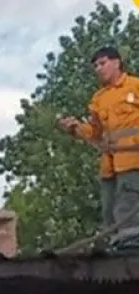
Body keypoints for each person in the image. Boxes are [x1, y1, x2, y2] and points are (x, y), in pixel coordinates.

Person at [59, 46, 139, 246]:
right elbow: (95, 133)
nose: (98, 69)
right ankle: (117, 246)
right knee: (109, 209)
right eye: (95, 65)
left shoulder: (135, 86)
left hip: (133, 158)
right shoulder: (98, 98)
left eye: (102, 63)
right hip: (110, 163)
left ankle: (132, 247)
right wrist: (74, 128)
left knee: (128, 205)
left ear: (117, 62)